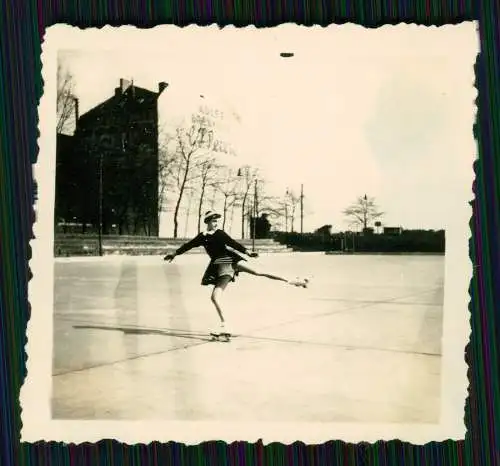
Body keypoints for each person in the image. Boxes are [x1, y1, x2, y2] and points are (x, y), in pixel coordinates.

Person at [163, 210, 308, 336]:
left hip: (231, 260)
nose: (216, 223)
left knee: (259, 272)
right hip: (220, 266)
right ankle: (225, 325)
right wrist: (174, 254)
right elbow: (188, 245)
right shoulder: (202, 236)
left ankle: (293, 281)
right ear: (207, 222)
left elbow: (233, 243)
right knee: (214, 297)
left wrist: (248, 252)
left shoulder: (220, 233)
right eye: (213, 221)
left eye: (217, 221)